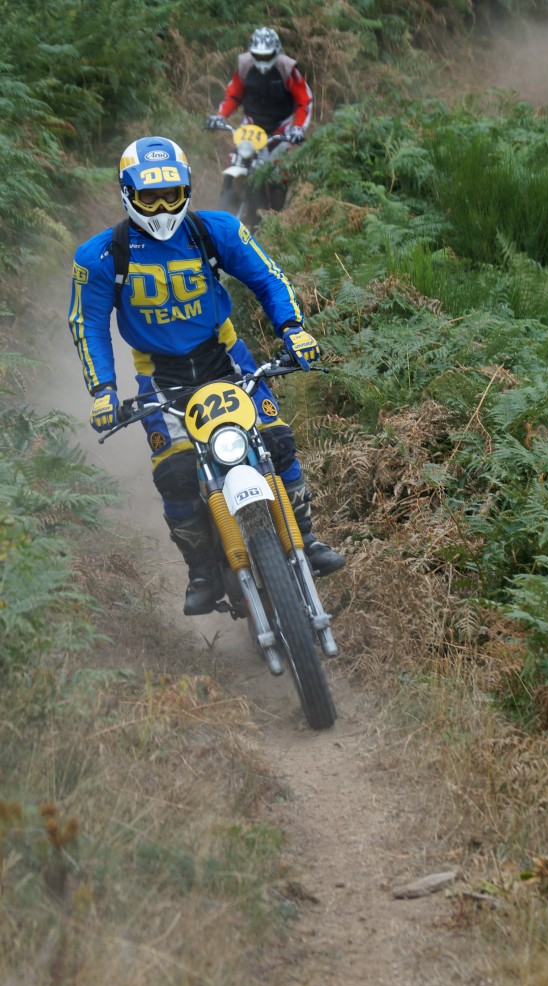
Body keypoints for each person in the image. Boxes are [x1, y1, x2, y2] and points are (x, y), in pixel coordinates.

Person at [68, 135, 345, 616]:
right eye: (150, 197)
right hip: (160, 377)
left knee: (277, 441)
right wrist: (104, 391)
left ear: (188, 190)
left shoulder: (216, 230)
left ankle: (307, 537)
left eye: (171, 195)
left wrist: (294, 330)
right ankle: (201, 572)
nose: (162, 207)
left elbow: (267, 277)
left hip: (227, 359)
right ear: (128, 195)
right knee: (175, 474)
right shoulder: (101, 256)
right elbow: (88, 324)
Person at [207, 27, 312, 149]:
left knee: (278, 159)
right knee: (238, 155)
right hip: (250, 125)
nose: (262, 60)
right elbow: (233, 96)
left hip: (280, 127)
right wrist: (220, 116)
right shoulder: (245, 67)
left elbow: (304, 100)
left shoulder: (286, 69)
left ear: (276, 52)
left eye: (267, 56)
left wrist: (298, 127)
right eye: (258, 55)